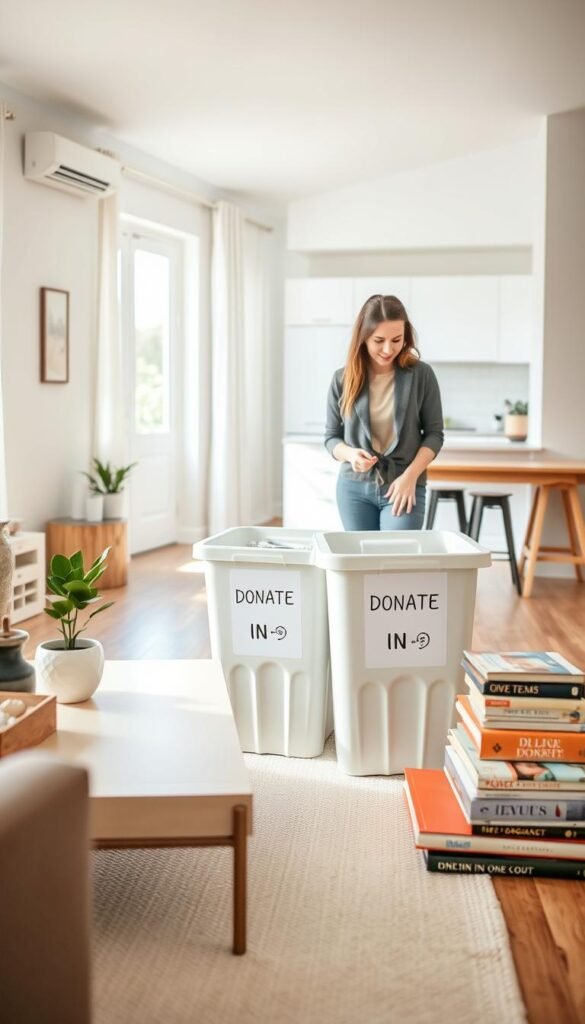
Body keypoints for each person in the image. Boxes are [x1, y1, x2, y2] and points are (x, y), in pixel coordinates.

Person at [324, 294, 444, 531]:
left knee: (396, 560)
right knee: (360, 563)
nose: (388, 349)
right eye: (379, 340)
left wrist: (410, 478)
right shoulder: (342, 379)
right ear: (364, 337)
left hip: (404, 484)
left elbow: (434, 434)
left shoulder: (422, 375)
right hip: (353, 488)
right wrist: (350, 455)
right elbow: (331, 437)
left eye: (396, 340)